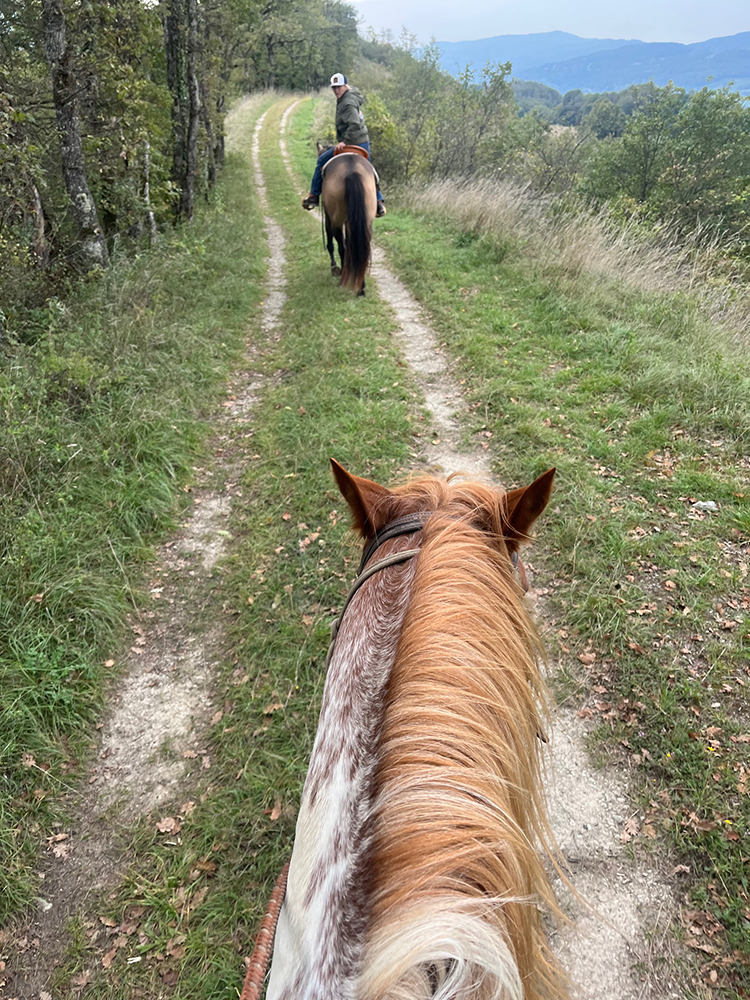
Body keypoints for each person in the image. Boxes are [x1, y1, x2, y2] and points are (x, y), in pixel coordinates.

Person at [302, 73, 386, 217]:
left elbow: (354, 124)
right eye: (334, 88)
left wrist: (345, 142)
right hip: (363, 141)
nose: (336, 91)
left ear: (345, 86)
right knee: (369, 170)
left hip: (352, 142)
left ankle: (314, 196)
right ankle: (378, 202)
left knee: (322, 160)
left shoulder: (346, 103)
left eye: (339, 87)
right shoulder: (351, 96)